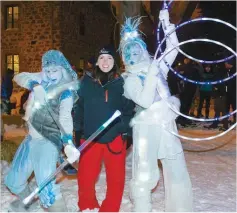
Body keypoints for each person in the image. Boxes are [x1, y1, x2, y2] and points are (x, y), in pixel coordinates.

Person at [119, 9, 193, 211]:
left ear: (144, 50)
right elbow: (143, 100)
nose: (135, 55)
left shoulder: (157, 68)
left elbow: (174, 48)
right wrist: (151, 75)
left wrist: (168, 25)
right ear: (126, 58)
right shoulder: (129, 80)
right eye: (130, 53)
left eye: (137, 51)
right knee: (146, 174)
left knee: (176, 168)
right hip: (146, 128)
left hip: (166, 124)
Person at [4, 50, 80, 212]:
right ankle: (30, 206)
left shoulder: (65, 91)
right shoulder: (41, 79)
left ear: (63, 70)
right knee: (13, 181)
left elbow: (66, 119)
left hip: (48, 142)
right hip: (31, 139)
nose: (51, 74)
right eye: (48, 70)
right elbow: (19, 76)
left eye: (55, 70)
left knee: (47, 188)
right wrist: (34, 84)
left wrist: (67, 143)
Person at [74, 45, 135, 212]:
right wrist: (77, 130)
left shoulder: (122, 83)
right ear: (96, 62)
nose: (105, 61)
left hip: (115, 138)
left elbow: (129, 110)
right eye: (102, 58)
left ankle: (110, 208)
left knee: (116, 179)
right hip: (90, 138)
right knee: (85, 177)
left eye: (109, 58)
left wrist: (126, 131)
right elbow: (79, 108)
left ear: (114, 61)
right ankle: (87, 205)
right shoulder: (86, 82)